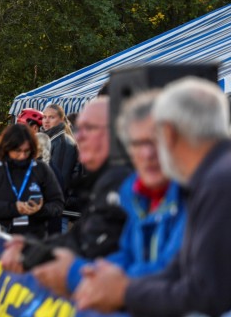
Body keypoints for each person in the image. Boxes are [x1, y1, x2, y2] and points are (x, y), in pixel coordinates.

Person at [73, 77, 231, 317]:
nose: (147, 154)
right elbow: (179, 270)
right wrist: (107, 282)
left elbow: (204, 293)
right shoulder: (208, 179)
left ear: (167, 133)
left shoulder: (217, 183)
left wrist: (123, 290)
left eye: (152, 141)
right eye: (137, 144)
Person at [31, 91, 186, 296]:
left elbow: (179, 274)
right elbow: (123, 252)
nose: (79, 136)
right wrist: (32, 253)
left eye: (90, 128)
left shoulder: (191, 194)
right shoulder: (133, 189)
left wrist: (75, 273)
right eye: (138, 144)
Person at [0, 97, 131, 273]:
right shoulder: (102, 182)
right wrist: (32, 249)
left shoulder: (127, 184)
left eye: (90, 128)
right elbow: (80, 238)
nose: (79, 136)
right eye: (79, 128)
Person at [0, 124, 63, 238]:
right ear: (7, 148)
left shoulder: (41, 169)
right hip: (1, 239)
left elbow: (57, 204)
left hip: (33, 240)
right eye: (17, 151)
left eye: (26, 151)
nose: (22, 156)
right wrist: (14, 208)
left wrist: (40, 210)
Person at [42, 103, 79, 195]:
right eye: (44, 117)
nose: (46, 121)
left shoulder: (63, 143)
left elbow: (59, 181)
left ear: (61, 119)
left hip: (60, 202)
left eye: (51, 117)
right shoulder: (51, 140)